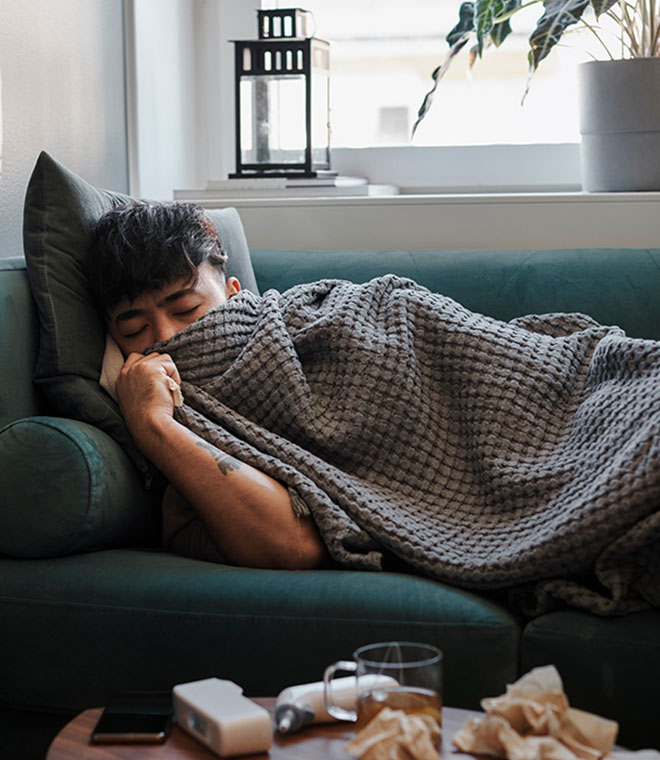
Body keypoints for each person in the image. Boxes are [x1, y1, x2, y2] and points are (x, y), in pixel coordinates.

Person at [88, 202, 328, 570]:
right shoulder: (183, 431)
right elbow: (294, 544)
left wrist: (153, 427)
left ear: (234, 293)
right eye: (134, 330)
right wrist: (156, 424)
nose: (167, 337)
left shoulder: (312, 328)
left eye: (185, 309)